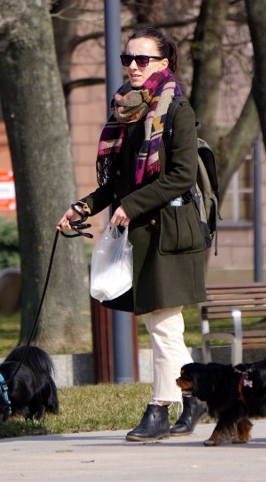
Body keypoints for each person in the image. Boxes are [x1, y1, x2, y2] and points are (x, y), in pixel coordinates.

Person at [57, 27, 207, 442]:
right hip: (139, 233)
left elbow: (181, 176)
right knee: (163, 326)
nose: (134, 66)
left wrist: (133, 205)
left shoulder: (177, 111)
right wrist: (82, 207)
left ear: (164, 63)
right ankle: (195, 397)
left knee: (163, 325)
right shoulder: (126, 112)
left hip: (171, 234)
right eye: (128, 59)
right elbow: (117, 183)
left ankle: (162, 407)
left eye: (143, 59)